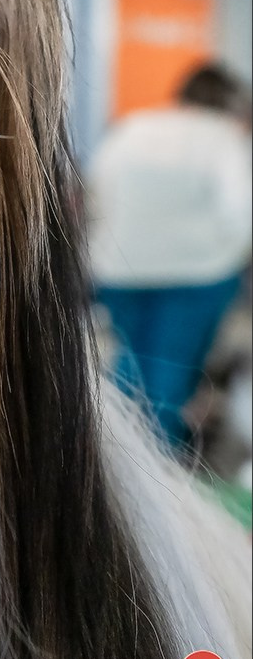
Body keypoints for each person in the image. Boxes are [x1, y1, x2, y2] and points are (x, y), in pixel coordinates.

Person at [88, 63, 252, 449]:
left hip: (120, 272)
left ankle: (114, 459)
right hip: (196, 278)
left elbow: (97, 191)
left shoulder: (132, 128)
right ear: (231, 104)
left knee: (129, 363)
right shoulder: (224, 139)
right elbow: (240, 213)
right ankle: (158, 464)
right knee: (169, 372)